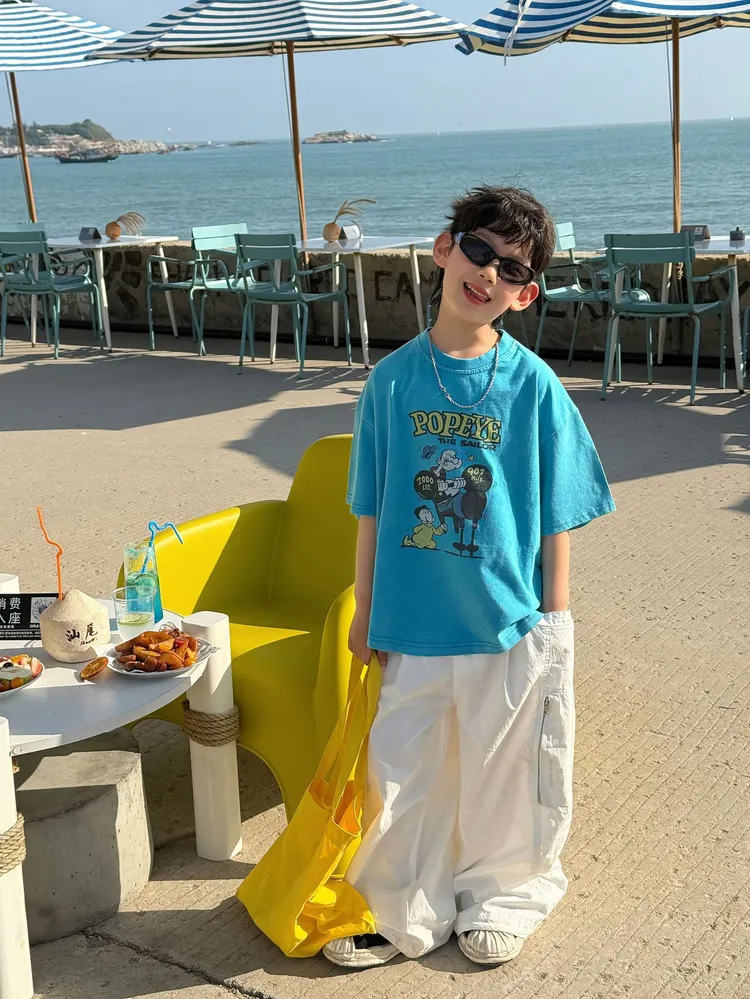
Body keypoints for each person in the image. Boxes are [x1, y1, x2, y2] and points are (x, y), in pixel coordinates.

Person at [323, 185, 615, 971]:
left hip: (507, 619)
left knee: (503, 770)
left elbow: (556, 511)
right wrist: (365, 608)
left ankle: (500, 894)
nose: (487, 273)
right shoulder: (390, 382)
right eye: (478, 250)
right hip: (411, 620)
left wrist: (555, 622)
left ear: (526, 294)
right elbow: (370, 507)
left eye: (510, 267)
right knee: (402, 772)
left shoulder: (534, 385)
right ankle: (403, 907)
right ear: (444, 249)